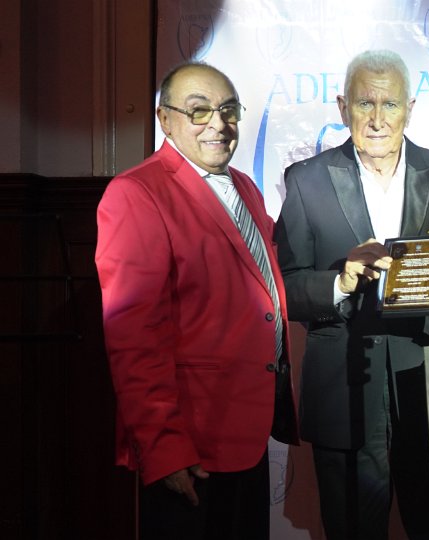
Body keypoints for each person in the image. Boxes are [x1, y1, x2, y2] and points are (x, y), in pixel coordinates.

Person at [274, 50, 429, 540]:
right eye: (364, 103)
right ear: (342, 106)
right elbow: (287, 289)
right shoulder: (305, 180)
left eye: (389, 104)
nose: (377, 118)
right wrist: (341, 282)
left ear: (410, 108)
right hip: (344, 386)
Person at [95, 62, 298, 540]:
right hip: (190, 443)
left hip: (246, 430)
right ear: (165, 120)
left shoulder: (244, 186)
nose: (218, 124)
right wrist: (164, 449)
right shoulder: (136, 193)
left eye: (228, 110)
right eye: (199, 110)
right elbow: (133, 340)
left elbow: (265, 281)